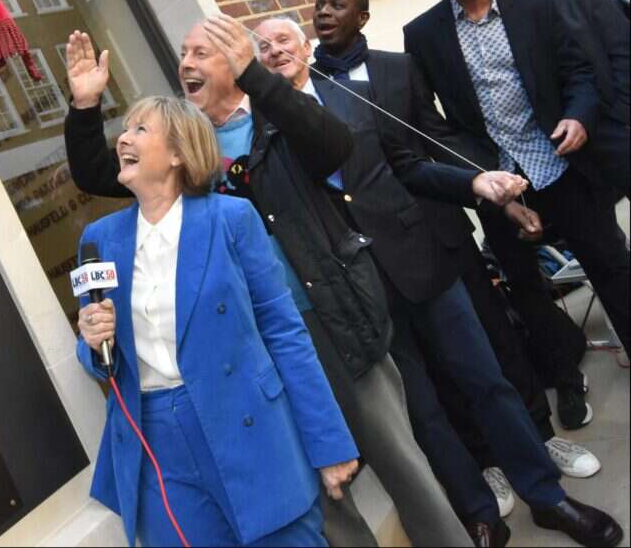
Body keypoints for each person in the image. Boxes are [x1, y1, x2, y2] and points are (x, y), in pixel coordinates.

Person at [65, 27, 474, 547]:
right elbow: (103, 170)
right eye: (182, 53)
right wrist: (84, 108)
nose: (185, 62)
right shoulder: (175, 146)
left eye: (201, 53)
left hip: (323, 317)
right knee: (318, 495)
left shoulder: (276, 116)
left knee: (397, 457)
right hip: (242, 345)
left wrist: (259, 78)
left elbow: (334, 143)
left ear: (237, 63)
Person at [250, 0, 605, 546]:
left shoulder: (349, 96)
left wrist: (477, 183)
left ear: (304, 45)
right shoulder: (261, 133)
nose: (272, 51)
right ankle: (478, 514)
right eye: (260, 46)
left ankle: (547, 495)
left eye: (282, 40)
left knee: (486, 381)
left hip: (422, 262)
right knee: (424, 412)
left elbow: (410, 164)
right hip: (359, 293)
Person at [75, 95, 359, 547]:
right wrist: (91, 340)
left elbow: (284, 332)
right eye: (124, 130)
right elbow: (99, 356)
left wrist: (329, 443)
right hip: (156, 445)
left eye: (140, 130)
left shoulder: (231, 219)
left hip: (246, 424)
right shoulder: (99, 239)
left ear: (178, 154)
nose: (123, 138)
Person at [403, 0, 630, 361]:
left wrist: (578, 117)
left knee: (612, 267)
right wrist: (481, 180)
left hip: (562, 165)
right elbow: (432, 122)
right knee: (526, 288)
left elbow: (579, 73)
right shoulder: (423, 34)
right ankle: (567, 374)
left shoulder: (534, 11)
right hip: (497, 184)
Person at [493, 0, 628, 199]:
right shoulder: (495, 24)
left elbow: (623, 56)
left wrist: (622, 119)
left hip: (616, 134)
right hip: (562, 158)